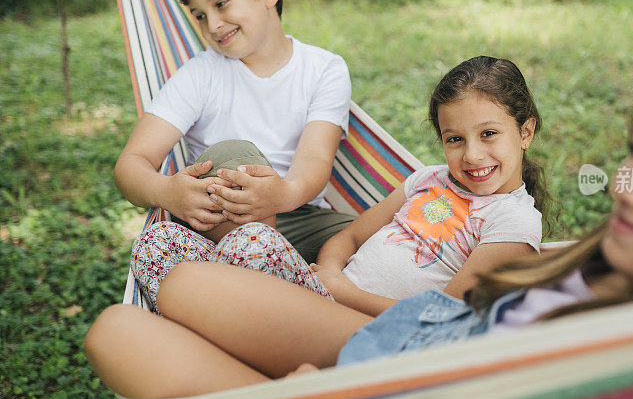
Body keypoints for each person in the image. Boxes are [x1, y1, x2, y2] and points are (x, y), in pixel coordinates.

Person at [85, 50, 633, 399]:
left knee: (150, 314)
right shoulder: (600, 263)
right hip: (381, 333)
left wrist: (332, 394)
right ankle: (277, 397)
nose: (626, 182)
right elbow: (375, 239)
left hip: (398, 376)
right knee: (144, 308)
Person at [132, 56, 550, 316]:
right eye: (455, 139)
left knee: (252, 245)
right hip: (324, 294)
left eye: (489, 134)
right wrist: (330, 272)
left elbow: (444, 315)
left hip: (362, 328)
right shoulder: (428, 179)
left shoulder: (512, 221)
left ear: (525, 132)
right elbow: (350, 235)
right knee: (157, 244)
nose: (472, 155)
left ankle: (219, 321)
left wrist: (343, 293)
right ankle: (218, 321)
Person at [114, 0, 354, 263]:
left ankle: (276, 281)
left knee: (381, 234)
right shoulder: (200, 76)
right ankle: (267, 274)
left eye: (221, 3)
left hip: (297, 213)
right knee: (235, 152)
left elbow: (314, 159)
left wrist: (281, 195)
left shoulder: (324, 69)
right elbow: (130, 165)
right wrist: (167, 191)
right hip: (223, 222)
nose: (212, 25)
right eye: (200, 15)